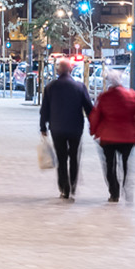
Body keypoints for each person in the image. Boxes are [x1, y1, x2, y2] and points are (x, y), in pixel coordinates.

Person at [37, 59, 93, 200]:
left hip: (57, 128)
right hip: (75, 128)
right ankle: (73, 183)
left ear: (58, 71)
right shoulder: (79, 87)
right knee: (74, 156)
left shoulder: (50, 87)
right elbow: (89, 108)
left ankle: (64, 188)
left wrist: (43, 127)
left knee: (61, 158)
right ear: (71, 70)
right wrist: (94, 124)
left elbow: (44, 110)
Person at [88, 72, 135, 203]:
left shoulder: (104, 97)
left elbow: (96, 116)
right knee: (126, 163)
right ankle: (127, 187)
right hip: (128, 137)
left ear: (109, 82)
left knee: (110, 165)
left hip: (108, 137)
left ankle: (114, 193)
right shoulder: (132, 95)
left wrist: (93, 131)